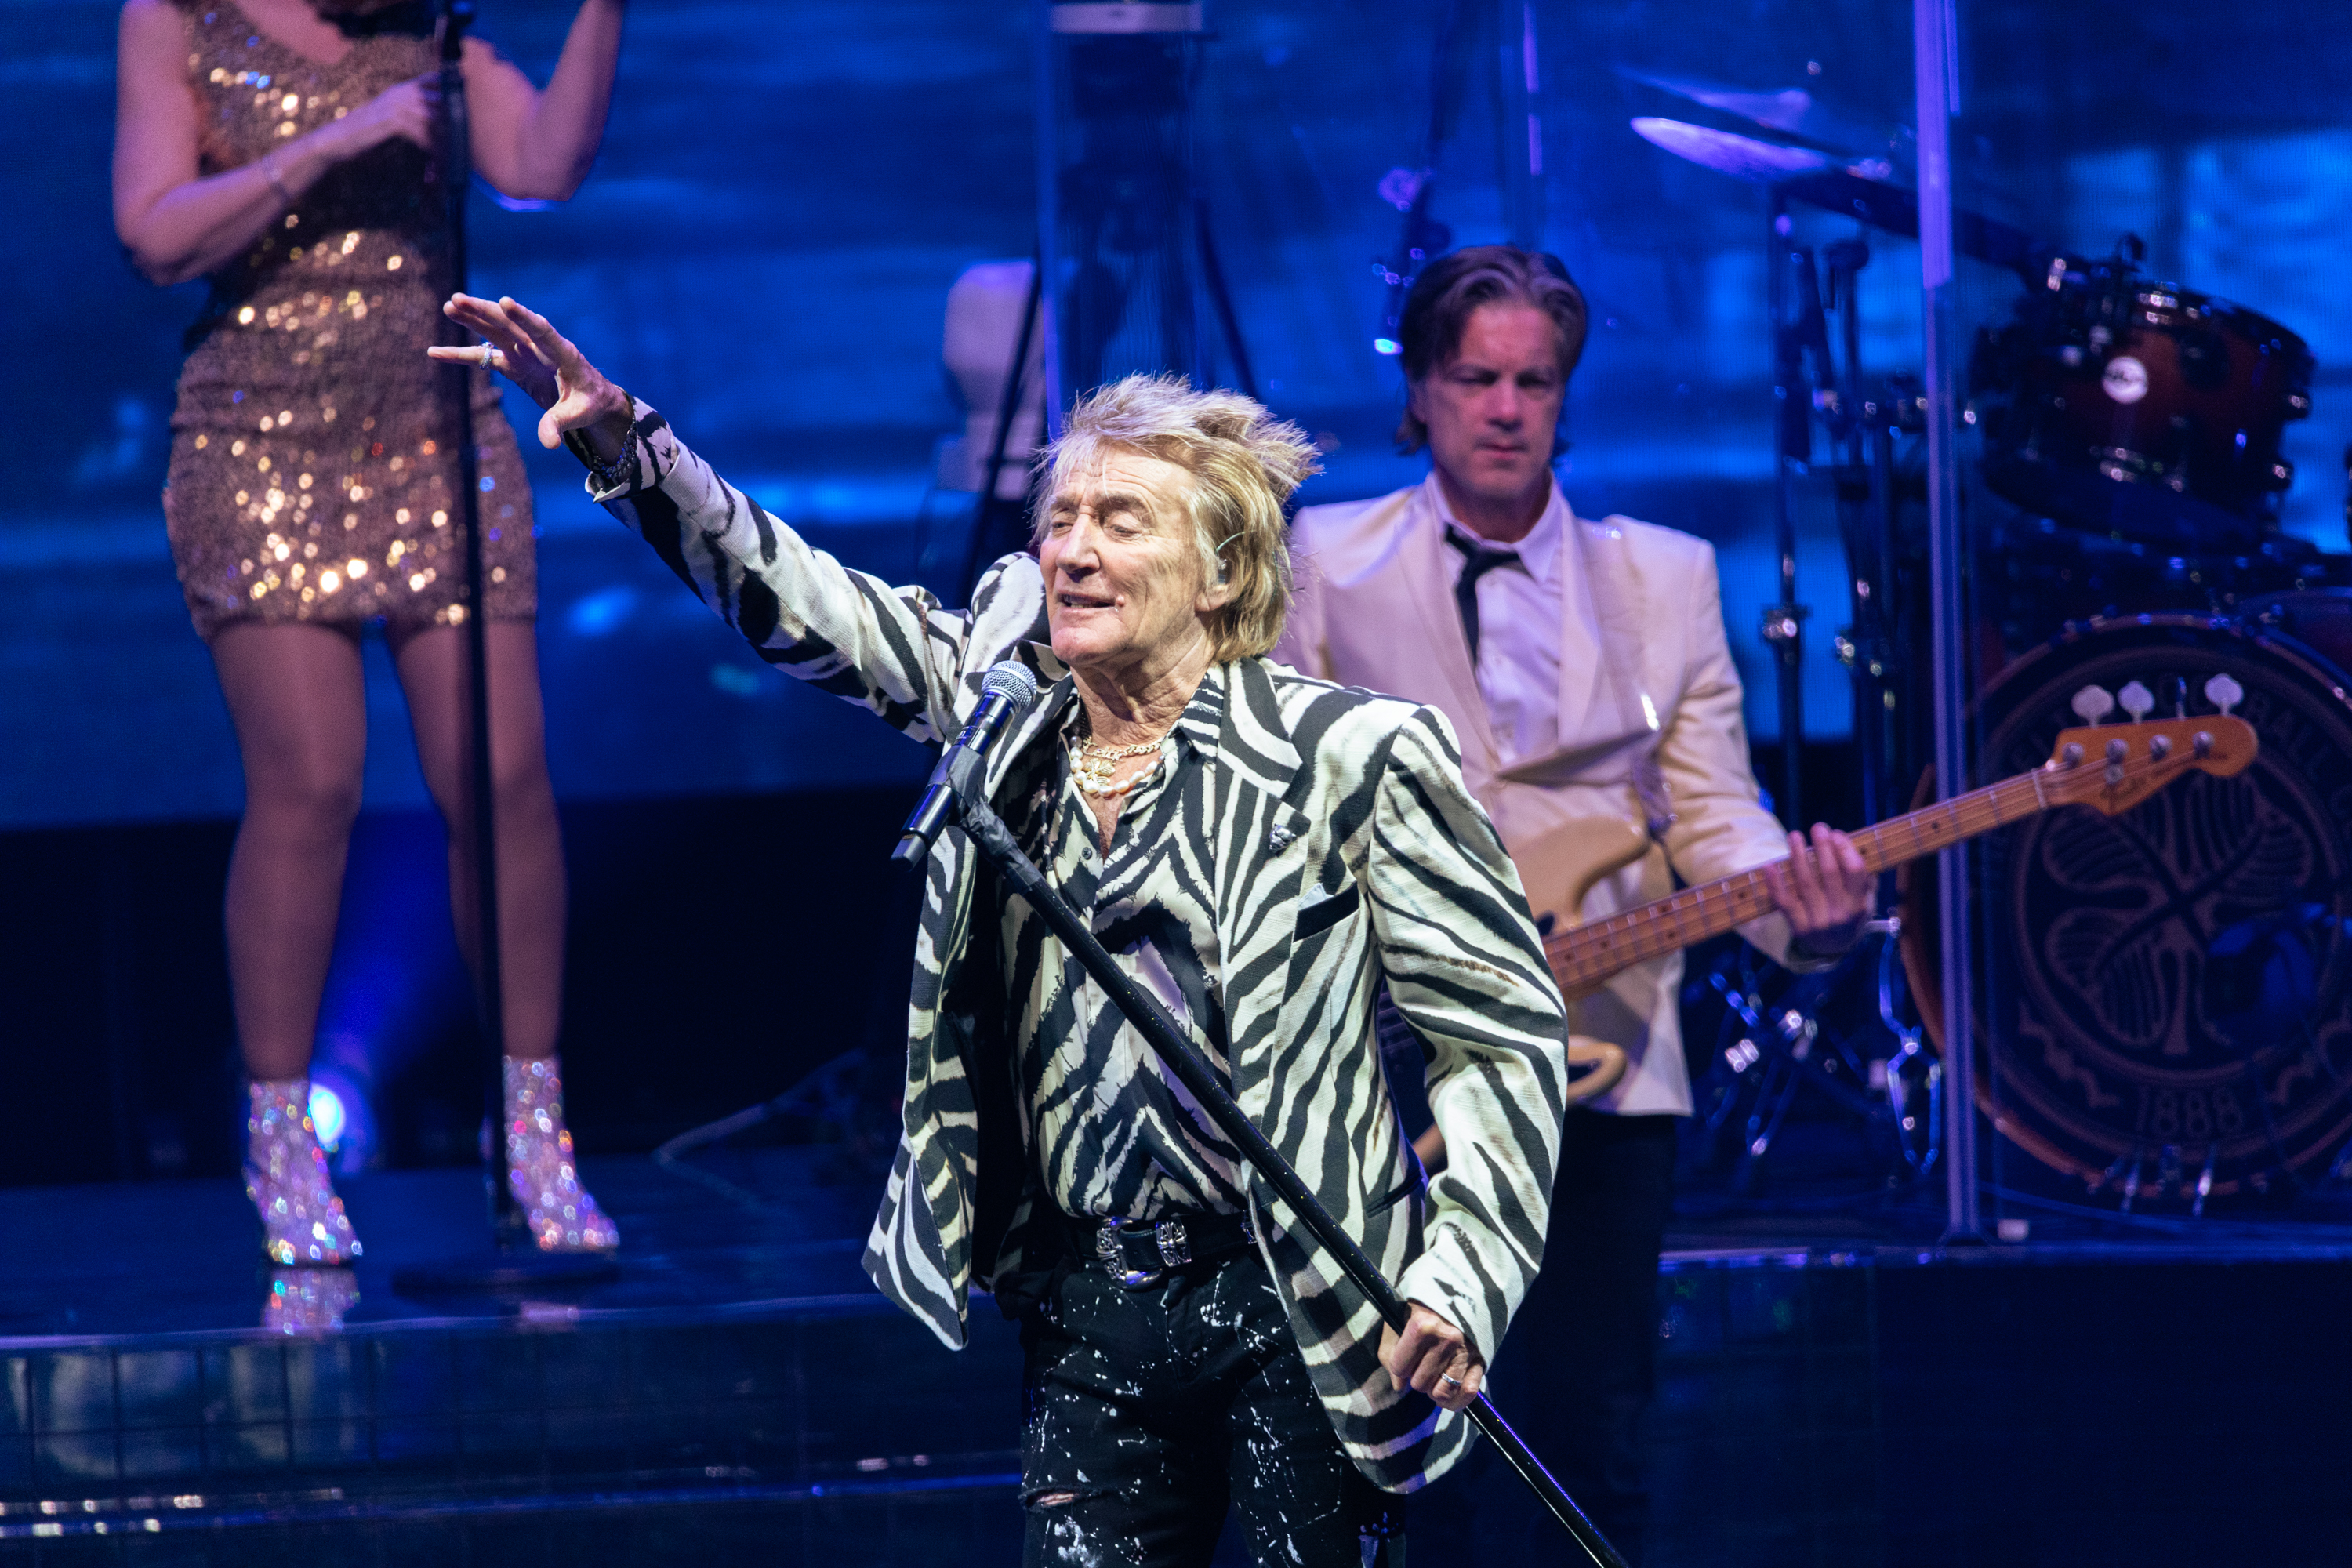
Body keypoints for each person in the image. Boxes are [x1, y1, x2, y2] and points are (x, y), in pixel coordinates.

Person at [434, 292, 1572, 1566]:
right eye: (1061, 521)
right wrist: (628, 447)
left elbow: (1502, 1041)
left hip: (1302, 1304)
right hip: (1093, 1311)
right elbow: (804, 599)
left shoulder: (1351, 757)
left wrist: (1460, 1276)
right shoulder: (1007, 725)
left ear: (1224, 570)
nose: (1072, 552)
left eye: (1120, 521)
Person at [1272, 245, 1875, 1562]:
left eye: (1533, 381)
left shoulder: (1660, 576)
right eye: (1475, 377)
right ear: (1422, 391)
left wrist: (1805, 916)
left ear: (1563, 397)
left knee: (1597, 1429)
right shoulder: (1327, 558)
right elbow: (1275, 817)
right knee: (1408, 1446)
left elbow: (1716, 813)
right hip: (1393, 1068)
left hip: (1604, 1063)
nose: (1504, 408)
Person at [112, 0, 628, 1263]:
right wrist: (334, 143)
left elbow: (542, 167)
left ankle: (533, 1130)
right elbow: (154, 233)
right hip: (258, 441)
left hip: (438, 445)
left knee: (503, 779)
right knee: (312, 782)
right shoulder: (179, 20)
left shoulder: (432, 30)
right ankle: (283, 1140)